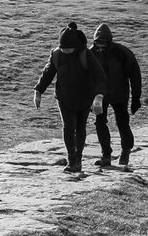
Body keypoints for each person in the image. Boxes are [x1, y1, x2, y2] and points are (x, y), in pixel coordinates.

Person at [34, 21, 105, 174]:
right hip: (63, 97)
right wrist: (38, 91)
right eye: (63, 48)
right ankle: (71, 160)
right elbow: (48, 73)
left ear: (75, 46)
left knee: (80, 128)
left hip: (84, 97)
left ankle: (78, 159)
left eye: (68, 49)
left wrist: (98, 97)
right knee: (68, 127)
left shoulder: (86, 54)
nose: (65, 51)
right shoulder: (57, 54)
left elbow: (99, 76)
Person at [90, 24, 142, 169]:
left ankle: (126, 151)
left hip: (120, 94)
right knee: (100, 123)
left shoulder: (122, 52)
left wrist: (136, 98)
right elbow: (86, 77)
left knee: (122, 122)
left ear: (109, 41)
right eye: (97, 44)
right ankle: (106, 155)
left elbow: (135, 75)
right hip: (100, 95)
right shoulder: (91, 53)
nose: (100, 47)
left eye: (103, 44)